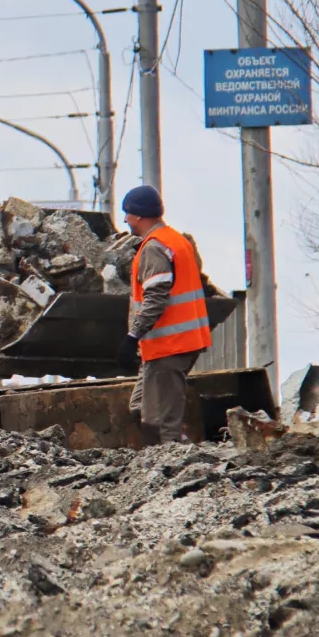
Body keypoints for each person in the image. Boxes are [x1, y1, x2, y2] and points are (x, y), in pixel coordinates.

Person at [117, 185, 212, 445]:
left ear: (138, 215)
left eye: (127, 214)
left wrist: (132, 335)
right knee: (141, 409)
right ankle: (167, 459)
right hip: (173, 345)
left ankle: (172, 469)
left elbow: (156, 297)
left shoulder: (154, 248)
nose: (125, 220)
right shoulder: (176, 241)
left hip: (169, 346)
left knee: (160, 425)